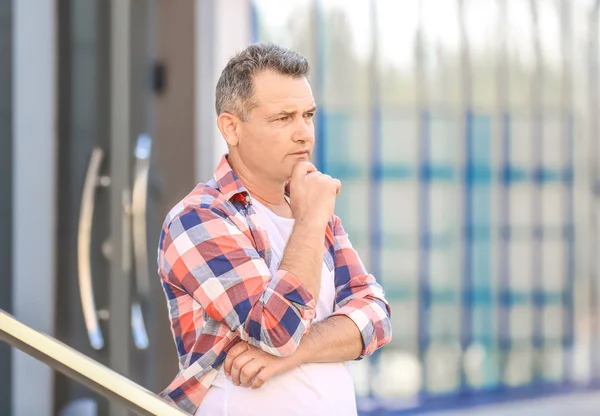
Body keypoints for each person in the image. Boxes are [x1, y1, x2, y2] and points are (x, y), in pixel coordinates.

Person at [157, 43, 392, 416]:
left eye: (308, 115)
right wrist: (312, 219)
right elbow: (274, 331)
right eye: (283, 118)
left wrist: (297, 353)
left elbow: (376, 317)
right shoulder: (198, 219)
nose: (304, 134)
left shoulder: (311, 208)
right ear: (231, 128)